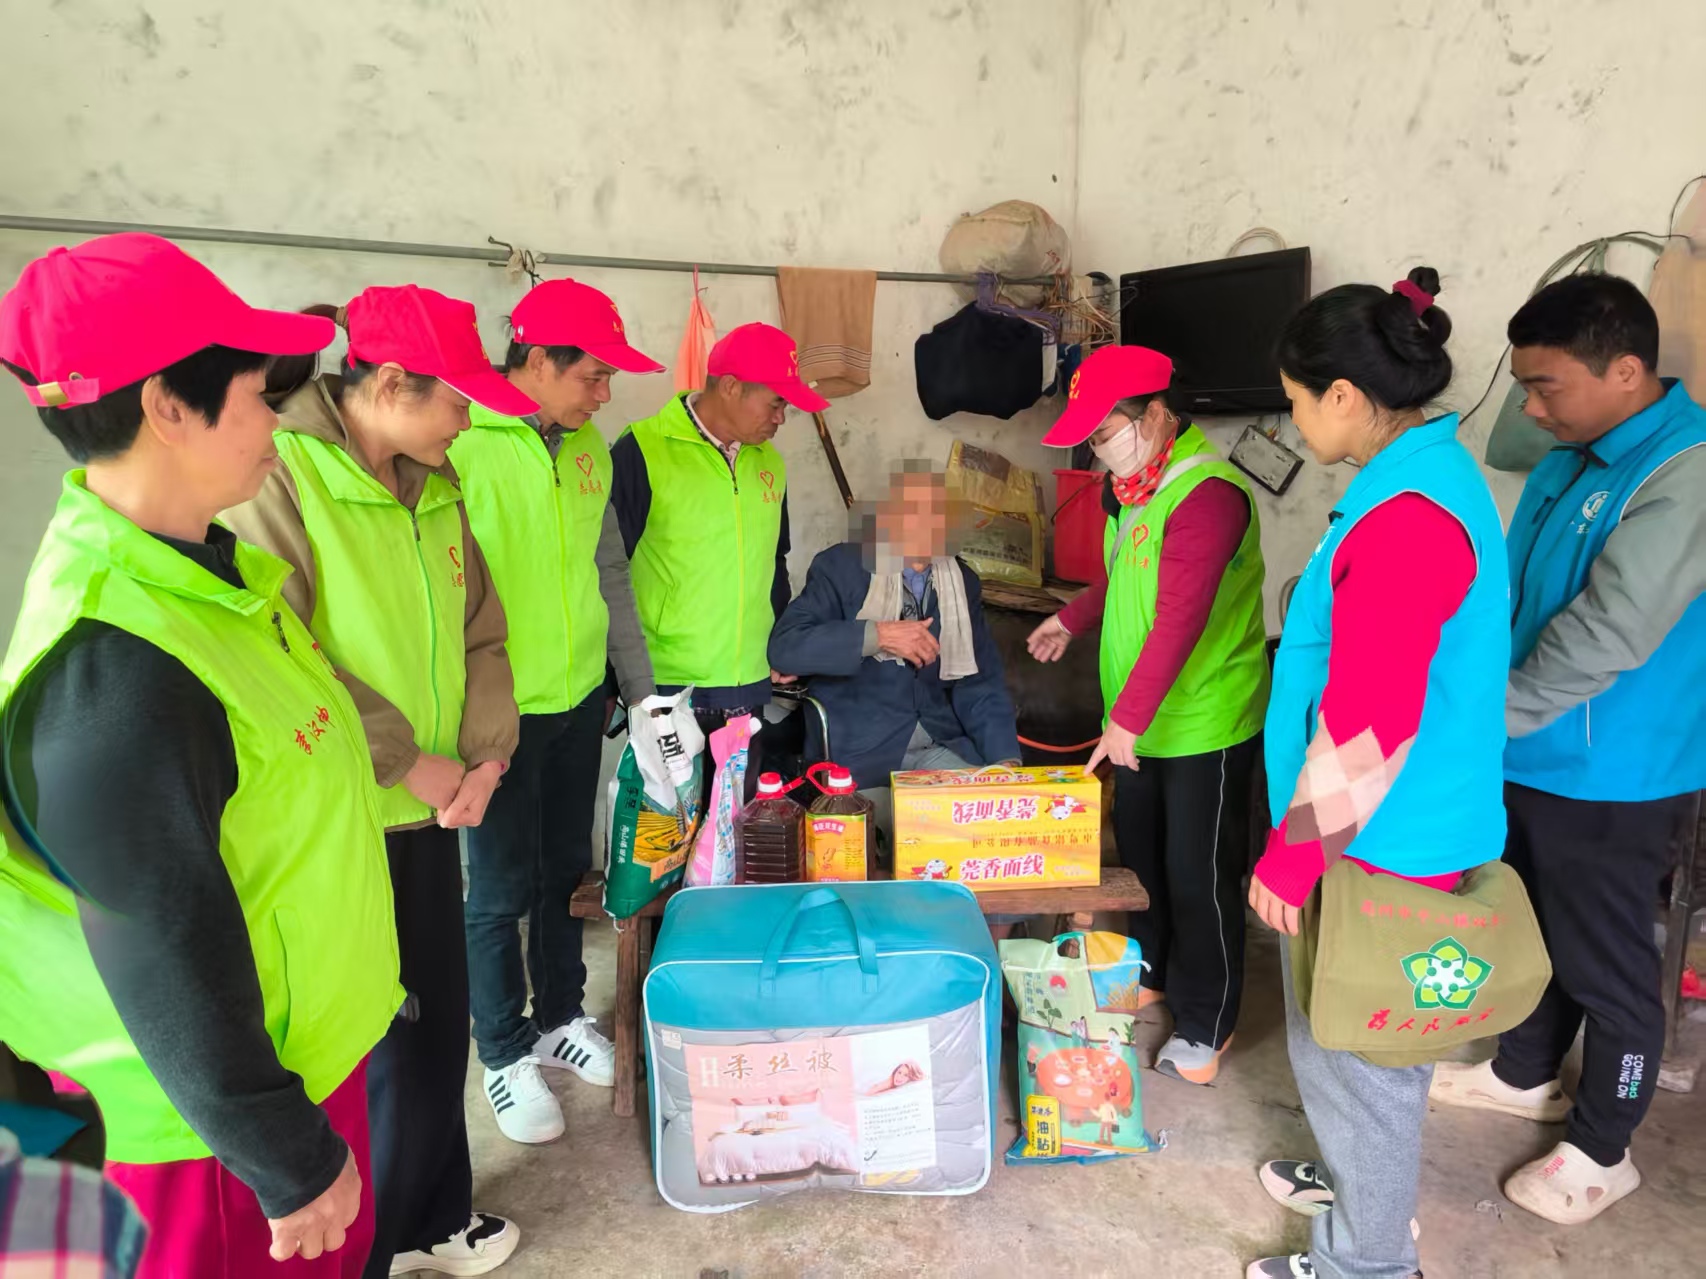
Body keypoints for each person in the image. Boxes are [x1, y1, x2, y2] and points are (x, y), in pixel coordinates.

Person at [0, 233, 402, 1277]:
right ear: (167, 408)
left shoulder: (205, 583)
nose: (279, 420)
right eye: (260, 395)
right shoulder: (114, 661)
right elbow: (158, 940)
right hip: (216, 1139)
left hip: (292, 1063)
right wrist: (283, 1154)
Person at [225, 285, 525, 1278]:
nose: (467, 419)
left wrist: (485, 755)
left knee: (435, 1033)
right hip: (347, 814)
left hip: (434, 807)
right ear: (391, 383)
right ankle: (370, 1246)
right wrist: (411, 761)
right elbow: (280, 649)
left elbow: (483, 629)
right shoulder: (283, 475)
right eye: (457, 399)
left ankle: (432, 1217)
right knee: (375, 1043)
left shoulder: (433, 483)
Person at [1244, 269, 1510, 1279]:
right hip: (1383, 828)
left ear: (1345, 396)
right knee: (1348, 1046)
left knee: (1363, 1064)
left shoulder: (1405, 520)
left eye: (1296, 399)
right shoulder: (1422, 476)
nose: (1295, 419)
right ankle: (1359, 1188)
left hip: (1377, 841)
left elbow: (1367, 726)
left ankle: (1368, 1260)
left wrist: (1293, 856)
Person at [1429, 274, 1706, 1224]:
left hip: (1614, 771)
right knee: (1530, 930)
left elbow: (1609, 630)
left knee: (1607, 962)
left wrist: (1485, 718)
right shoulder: (1567, 459)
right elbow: (1508, 596)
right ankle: (1525, 1073)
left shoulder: (1683, 470)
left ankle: (1603, 1145)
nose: (1532, 409)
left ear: (1626, 371)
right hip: (1528, 748)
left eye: (1545, 386)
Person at [447, 278, 661, 1144]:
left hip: (576, 697)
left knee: (565, 869)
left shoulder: (588, 448)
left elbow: (609, 572)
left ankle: (559, 1018)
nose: (605, 393)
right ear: (537, 362)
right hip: (496, 710)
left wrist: (641, 692)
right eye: (592, 375)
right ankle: (502, 1049)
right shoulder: (462, 443)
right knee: (497, 887)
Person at [1027, 344, 1269, 1085]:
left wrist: (1127, 719)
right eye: (1092, 440)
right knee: (1143, 865)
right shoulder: (1134, 490)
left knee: (1199, 875)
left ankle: (1208, 1020)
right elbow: (1126, 576)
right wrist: (1071, 617)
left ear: (1157, 414)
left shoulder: (1207, 495)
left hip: (1202, 720)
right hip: (1135, 721)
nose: (1100, 452)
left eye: (1106, 433)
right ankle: (1155, 972)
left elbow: (1180, 615)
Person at [766, 463, 1021, 836]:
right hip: (862, 754)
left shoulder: (960, 581)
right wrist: (877, 635)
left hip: (940, 746)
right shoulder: (843, 567)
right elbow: (786, 648)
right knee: (901, 841)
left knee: (990, 828)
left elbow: (979, 681)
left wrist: (1005, 760)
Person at [611, 322, 828, 739]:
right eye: (775, 403)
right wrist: (615, 678)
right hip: (669, 681)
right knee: (672, 787)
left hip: (749, 676)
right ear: (730, 386)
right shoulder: (642, 449)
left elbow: (774, 560)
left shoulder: (769, 461)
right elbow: (607, 569)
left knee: (745, 785)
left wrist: (779, 645)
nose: (781, 418)